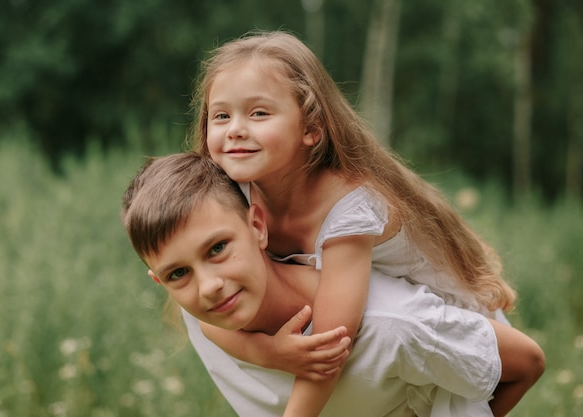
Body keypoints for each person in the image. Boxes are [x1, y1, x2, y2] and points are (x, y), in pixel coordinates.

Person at [188, 30, 544, 416]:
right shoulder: (234, 194)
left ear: (311, 128)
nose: (235, 128)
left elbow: (330, 345)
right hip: (384, 328)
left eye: (259, 113)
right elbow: (200, 313)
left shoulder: (348, 209)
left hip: (444, 320)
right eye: (221, 115)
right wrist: (269, 352)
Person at [121, 153, 544, 417]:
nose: (208, 286)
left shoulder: (390, 326)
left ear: (257, 226)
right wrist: (266, 352)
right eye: (178, 274)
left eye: (217, 249)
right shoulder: (209, 314)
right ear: (159, 281)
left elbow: (527, 362)